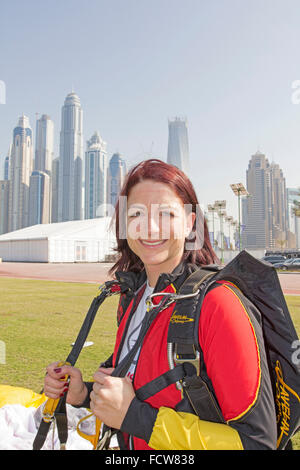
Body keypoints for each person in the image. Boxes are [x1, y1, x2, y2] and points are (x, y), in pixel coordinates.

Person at [44, 159, 277, 450]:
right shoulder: (133, 298)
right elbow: (139, 389)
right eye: (137, 213)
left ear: (190, 221)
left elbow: (257, 443)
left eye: (166, 214)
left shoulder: (218, 303)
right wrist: (81, 393)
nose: (150, 228)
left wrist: (137, 418)